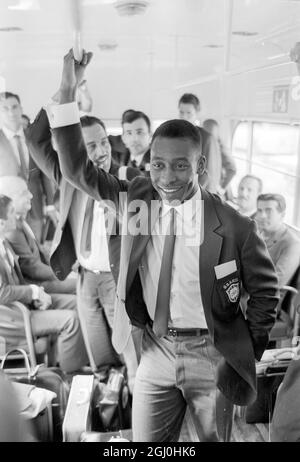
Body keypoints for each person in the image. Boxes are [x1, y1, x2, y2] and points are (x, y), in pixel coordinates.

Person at [49, 50, 279, 442]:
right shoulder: (137, 198)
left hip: (211, 353)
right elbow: (76, 170)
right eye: (158, 164)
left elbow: (265, 293)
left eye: (180, 165)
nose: (167, 177)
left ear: (200, 167)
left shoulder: (235, 226)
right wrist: (69, 88)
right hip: (154, 352)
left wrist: (243, 352)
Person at [27, 109, 141, 378]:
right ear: (75, 151)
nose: (102, 150)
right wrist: (59, 102)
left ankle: (138, 407)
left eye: (104, 142)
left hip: (118, 281)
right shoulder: (69, 178)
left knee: (132, 357)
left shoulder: (127, 177)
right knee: (99, 356)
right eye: (91, 146)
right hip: (85, 279)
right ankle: (112, 409)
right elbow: (35, 142)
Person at [0, 194, 88, 373]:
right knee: (71, 320)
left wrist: (35, 296)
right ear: (1, 221)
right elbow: (2, 292)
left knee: (81, 304)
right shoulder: (9, 237)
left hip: (26, 305)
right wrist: (33, 292)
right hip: (15, 317)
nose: (14, 215)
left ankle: (73, 360)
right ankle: (70, 373)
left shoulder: (4, 242)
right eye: (10, 212)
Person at [0, 175, 76, 294]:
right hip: (36, 285)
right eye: (24, 193)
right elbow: (32, 268)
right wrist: (63, 274)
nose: (31, 195)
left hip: (42, 279)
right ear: (11, 199)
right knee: (81, 284)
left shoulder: (20, 220)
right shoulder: (11, 229)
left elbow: (40, 255)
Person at [0, 92, 55, 242]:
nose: (11, 112)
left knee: (35, 248)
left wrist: (50, 204)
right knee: (11, 252)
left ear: (21, 108)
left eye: (14, 107)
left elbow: (44, 173)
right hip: (6, 208)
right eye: (5, 108)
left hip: (35, 204)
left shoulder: (32, 137)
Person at [178, 93, 222, 194]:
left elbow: (210, 174)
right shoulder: (173, 137)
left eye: (189, 113)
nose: (184, 117)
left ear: (197, 113)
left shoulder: (207, 139)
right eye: (181, 112)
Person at [256, 194, 300, 289]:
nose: (262, 216)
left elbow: (275, 282)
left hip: (264, 298)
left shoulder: (292, 243)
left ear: (282, 215)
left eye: (268, 211)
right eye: (260, 210)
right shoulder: (256, 233)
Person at [202, 119, 237, 197]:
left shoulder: (221, 148)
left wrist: (221, 188)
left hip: (217, 190)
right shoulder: (203, 145)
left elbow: (232, 169)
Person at [120, 110, 152, 174]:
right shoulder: (120, 163)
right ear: (123, 138)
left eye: (139, 132)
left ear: (150, 136)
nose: (134, 139)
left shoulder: (158, 162)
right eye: (129, 133)